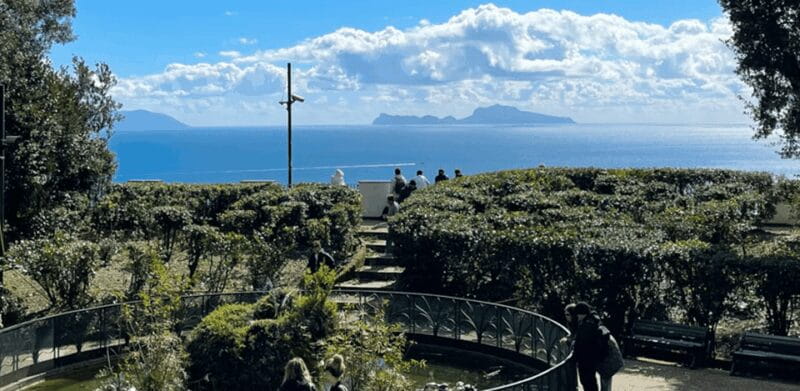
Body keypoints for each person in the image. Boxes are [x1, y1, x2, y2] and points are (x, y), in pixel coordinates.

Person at [572, 302, 612, 391]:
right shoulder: (594, 321)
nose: (577, 317)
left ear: (581, 313)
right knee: (591, 381)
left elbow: (581, 344)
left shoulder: (586, 326)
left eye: (577, 314)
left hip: (585, 358)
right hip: (593, 358)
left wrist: (575, 357)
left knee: (587, 381)